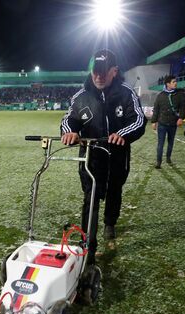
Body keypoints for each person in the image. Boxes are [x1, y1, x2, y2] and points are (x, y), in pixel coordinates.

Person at [60, 49, 146, 264]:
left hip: (118, 156)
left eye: (103, 72)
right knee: (90, 199)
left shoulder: (127, 94)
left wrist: (122, 134)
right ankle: (88, 246)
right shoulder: (81, 97)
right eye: (94, 71)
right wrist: (70, 132)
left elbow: (138, 120)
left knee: (115, 191)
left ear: (114, 71)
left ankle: (110, 223)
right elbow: (68, 120)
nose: (98, 76)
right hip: (92, 158)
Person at [150, 75, 185, 168]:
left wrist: (181, 118)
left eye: (175, 81)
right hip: (162, 123)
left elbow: (183, 106)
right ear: (168, 84)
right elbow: (156, 109)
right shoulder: (160, 95)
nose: (176, 83)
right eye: (173, 82)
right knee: (160, 144)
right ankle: (159, 161)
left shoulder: (179, 94)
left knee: (171, 142)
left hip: (173, 123)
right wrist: (154, 121)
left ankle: (168, 157)